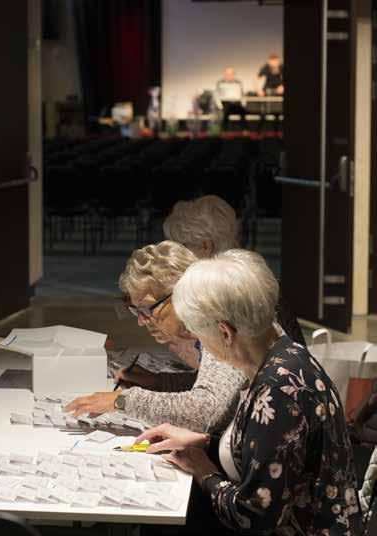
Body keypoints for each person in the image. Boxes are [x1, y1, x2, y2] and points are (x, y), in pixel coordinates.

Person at [135, 250, 362, 535]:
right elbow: (268, 449)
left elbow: (254, 517)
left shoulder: (279, 389)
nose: (202, 347)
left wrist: (205, 472)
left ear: (225, 333)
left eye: (199, 338)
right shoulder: (284, 353)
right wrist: (207, 443)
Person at [63, 241, 247, 434]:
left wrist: (122, 401)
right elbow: (222, 390)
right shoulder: (213, 319)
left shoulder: (219, 325)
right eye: (136, 312)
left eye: (146, 308)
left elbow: (206, 411)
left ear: (180, 293)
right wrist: (160, 382)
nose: (142, 321)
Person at [163, 195, 306, 345]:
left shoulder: (232, 291)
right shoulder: (252, 278)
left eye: (181, 247)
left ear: (206, 246)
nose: (176, 256)